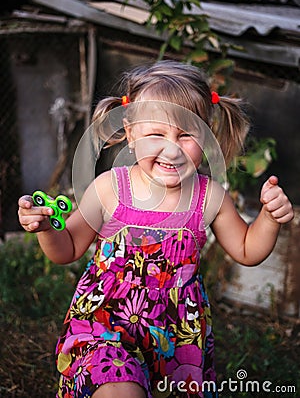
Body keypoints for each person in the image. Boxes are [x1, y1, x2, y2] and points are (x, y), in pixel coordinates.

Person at [18, 60, 294, 398]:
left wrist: (269, 218)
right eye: (155, 134)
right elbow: (68, 248)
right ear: (131, 135)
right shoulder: (110, 188)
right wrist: (46, 228)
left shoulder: (208, 197)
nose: (171, 148)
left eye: (186, 135)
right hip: (105, 325)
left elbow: (248, 250)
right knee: (119, 388)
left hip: (177, 337)